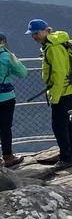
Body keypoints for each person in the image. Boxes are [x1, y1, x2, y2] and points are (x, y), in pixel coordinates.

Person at [26, 18, 72, 168]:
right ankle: (69, 154)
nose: (34, 37)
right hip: (69, 89)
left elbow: (59, 72)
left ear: (45, 31)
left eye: (36, 33)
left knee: (58, 125)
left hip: (62, 92)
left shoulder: (53, 47)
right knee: (66, 124)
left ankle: (66, 158)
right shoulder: (55, 42)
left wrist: (54, 96)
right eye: (32, 34)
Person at [0, 32, 29, 167]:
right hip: (5, 97)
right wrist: (14, 60)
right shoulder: (6, 56)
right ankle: (8, 157)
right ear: (3, 42)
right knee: (5, 127)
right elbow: (23, 73)